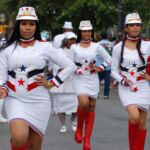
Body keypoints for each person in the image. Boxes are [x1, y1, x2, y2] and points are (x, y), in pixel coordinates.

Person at [0, 6, 76, 150]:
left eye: (31, 23)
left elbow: (70, 66)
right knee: (19, 138)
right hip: (15, 100)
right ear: (18, 25)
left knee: (35, 146)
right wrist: (2, 88)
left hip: (39, 101)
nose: (28, 27)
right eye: (24, 23)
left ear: (36, 26)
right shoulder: (6, 49)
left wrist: (52, 82)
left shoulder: (45, 47)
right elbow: (1, 75)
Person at [69, 20, 111, 150]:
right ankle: (79, 129)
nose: (87, 33)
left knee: (92, 106)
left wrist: (100, 68)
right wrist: (76, 68)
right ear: (80, 32)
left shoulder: (96, 46)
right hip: (79, 78)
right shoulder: (73, 47)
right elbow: (69, 63)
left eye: (88, 31)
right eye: (84, 31)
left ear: (91, 32)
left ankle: (87, 139)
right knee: (84, 103)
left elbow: (109, 59)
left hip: (92, 78)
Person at [111, 13, 150, 150]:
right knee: (135, 117)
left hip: (144, 86)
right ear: (126, 28)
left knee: (142, 123)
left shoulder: (148, 45)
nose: (135, 27)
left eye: (138, 25)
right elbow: (113, 70)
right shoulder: (117, 47)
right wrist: (123, 81)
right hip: (126, 87)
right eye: (132, 25)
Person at [50, 32, 78, 133]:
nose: (73, 41)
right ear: (66, 41)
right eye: (71, 39)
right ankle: (63, 125)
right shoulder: (58, 52)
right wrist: (66, 69)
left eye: (74, 39)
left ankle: (74, 122)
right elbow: (56, 66)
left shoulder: (78, 50)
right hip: (61, 83)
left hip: (74, 82)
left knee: (76, 105)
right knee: (60, 105)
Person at [97, 32, 112, 99]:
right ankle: (106, 94)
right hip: (108, 65)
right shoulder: (111, 44)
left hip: (99, 65)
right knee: (107, 80)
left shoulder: (97, 44)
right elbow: (112, 54)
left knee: (97, 80)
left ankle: (96, 93)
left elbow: (96, 54)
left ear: (100, 36)